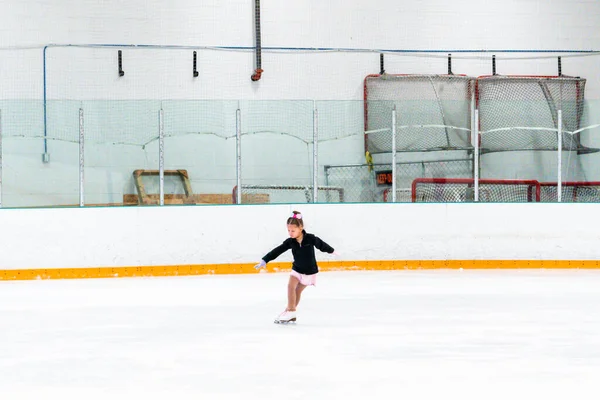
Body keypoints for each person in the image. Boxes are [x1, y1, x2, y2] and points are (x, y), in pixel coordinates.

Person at [254, 210, 335, 323]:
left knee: (297, 292)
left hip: (309, 271)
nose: (290, 233)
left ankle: (289, 311)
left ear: (300, 227)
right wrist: (265, 259)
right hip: (297, 269)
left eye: (293, 230)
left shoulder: (310, 238)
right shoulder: (290, 242)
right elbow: (278, 250)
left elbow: (321, 244)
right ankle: (291, 311)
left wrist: (331, 251)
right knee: (290, 287)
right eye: (288, 230)